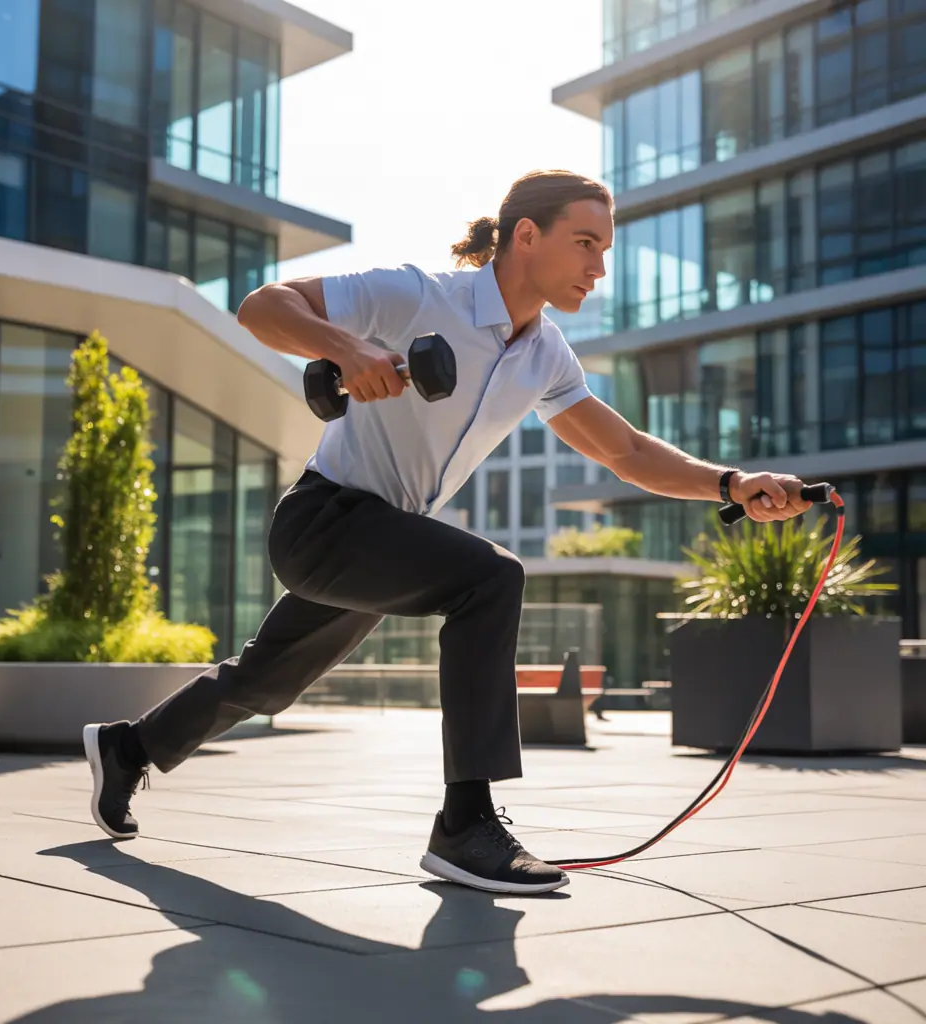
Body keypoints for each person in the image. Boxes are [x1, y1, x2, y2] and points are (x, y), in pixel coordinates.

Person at [83, 170, 813, 895]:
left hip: (385, 535)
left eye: (605, 248)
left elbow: (624, 452)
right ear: (526, 235)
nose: (599, 266)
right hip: (323, 521)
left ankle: (129, 748)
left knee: (265, 683)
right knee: (489, 578)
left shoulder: (545, 353)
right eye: (586, 243)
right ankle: (466, 824)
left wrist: (730, 484)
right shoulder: (417, 295)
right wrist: (347, 349)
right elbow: (259, 307)